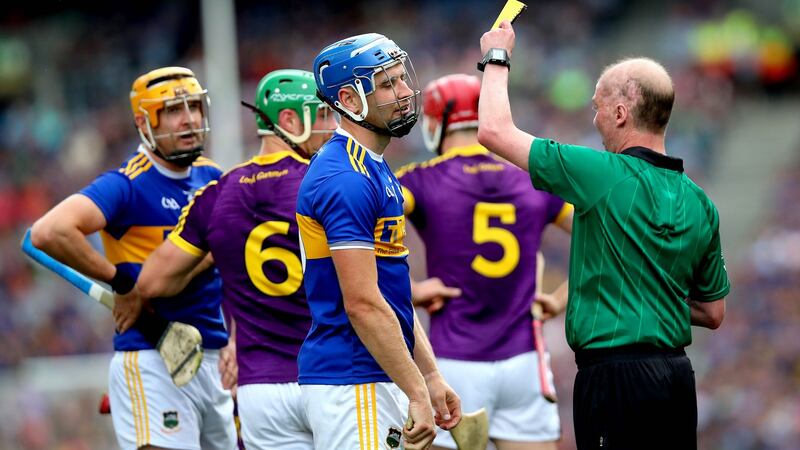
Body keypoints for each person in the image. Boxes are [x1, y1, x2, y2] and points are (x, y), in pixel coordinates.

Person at [476, 22, 730, 450]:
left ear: (620, 113)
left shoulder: (600, 174)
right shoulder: (701, 202)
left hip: (614, 379)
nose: (593, 119)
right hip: (677, 379)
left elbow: (494, 132)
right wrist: (650, 298)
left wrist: (496, 56)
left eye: (596, 107)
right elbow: (712, 312)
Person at [115, 68, 338, 450]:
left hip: (260, 392)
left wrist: (220, 251)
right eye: (320, 115)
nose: (331, 127)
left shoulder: (218, 193)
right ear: (290, 120)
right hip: (334, 375)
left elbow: (151, 284)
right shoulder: (332, 182)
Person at [30, 66, 237, 450]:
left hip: (210, 359)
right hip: (153, 357)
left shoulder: (214, 177)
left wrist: (236, 340)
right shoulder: (127, 184)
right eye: (174, 111)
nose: (190, 118)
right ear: (144, 122)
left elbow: (236, 266)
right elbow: (48, 232)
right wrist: (121, 283)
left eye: (194, 106)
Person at [296, 33, 462, 450]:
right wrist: (417, 391)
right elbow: (363, 303)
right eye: (388, 84)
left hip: (377, 374)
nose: (406, 92)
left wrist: (429, 374)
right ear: (350, 101)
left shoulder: (374, 166)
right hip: (354, 380)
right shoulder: (346, 177)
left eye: (402, 78)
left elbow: (394, 293)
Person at [396, 73, 573, 450]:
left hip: (454, 362)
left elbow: (359, 230)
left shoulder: (418, 180)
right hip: (524, 360)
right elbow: (608, 238)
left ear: (435, 121)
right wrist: (562, 298)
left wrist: (409, 290)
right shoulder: (532, 180)